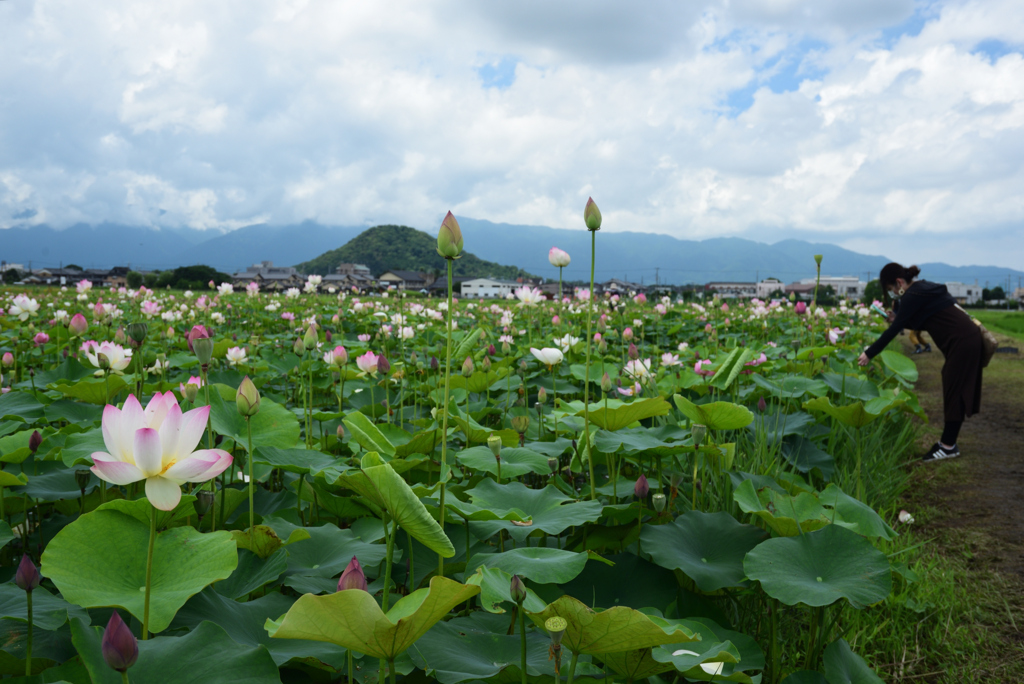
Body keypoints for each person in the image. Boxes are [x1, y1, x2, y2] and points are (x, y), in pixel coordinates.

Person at [858, 263, 983, 462]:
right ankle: (949, 444)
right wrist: (898, 319)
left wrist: (869, 353)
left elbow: (893, 332)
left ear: (899, 282)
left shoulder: (913, 295)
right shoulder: (921, 289)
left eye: (891, 289)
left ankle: (948, 446)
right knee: (954, 386)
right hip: (966, 339)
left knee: (954, 388)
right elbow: (924, 320)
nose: (892, 294)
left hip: (963, 342)